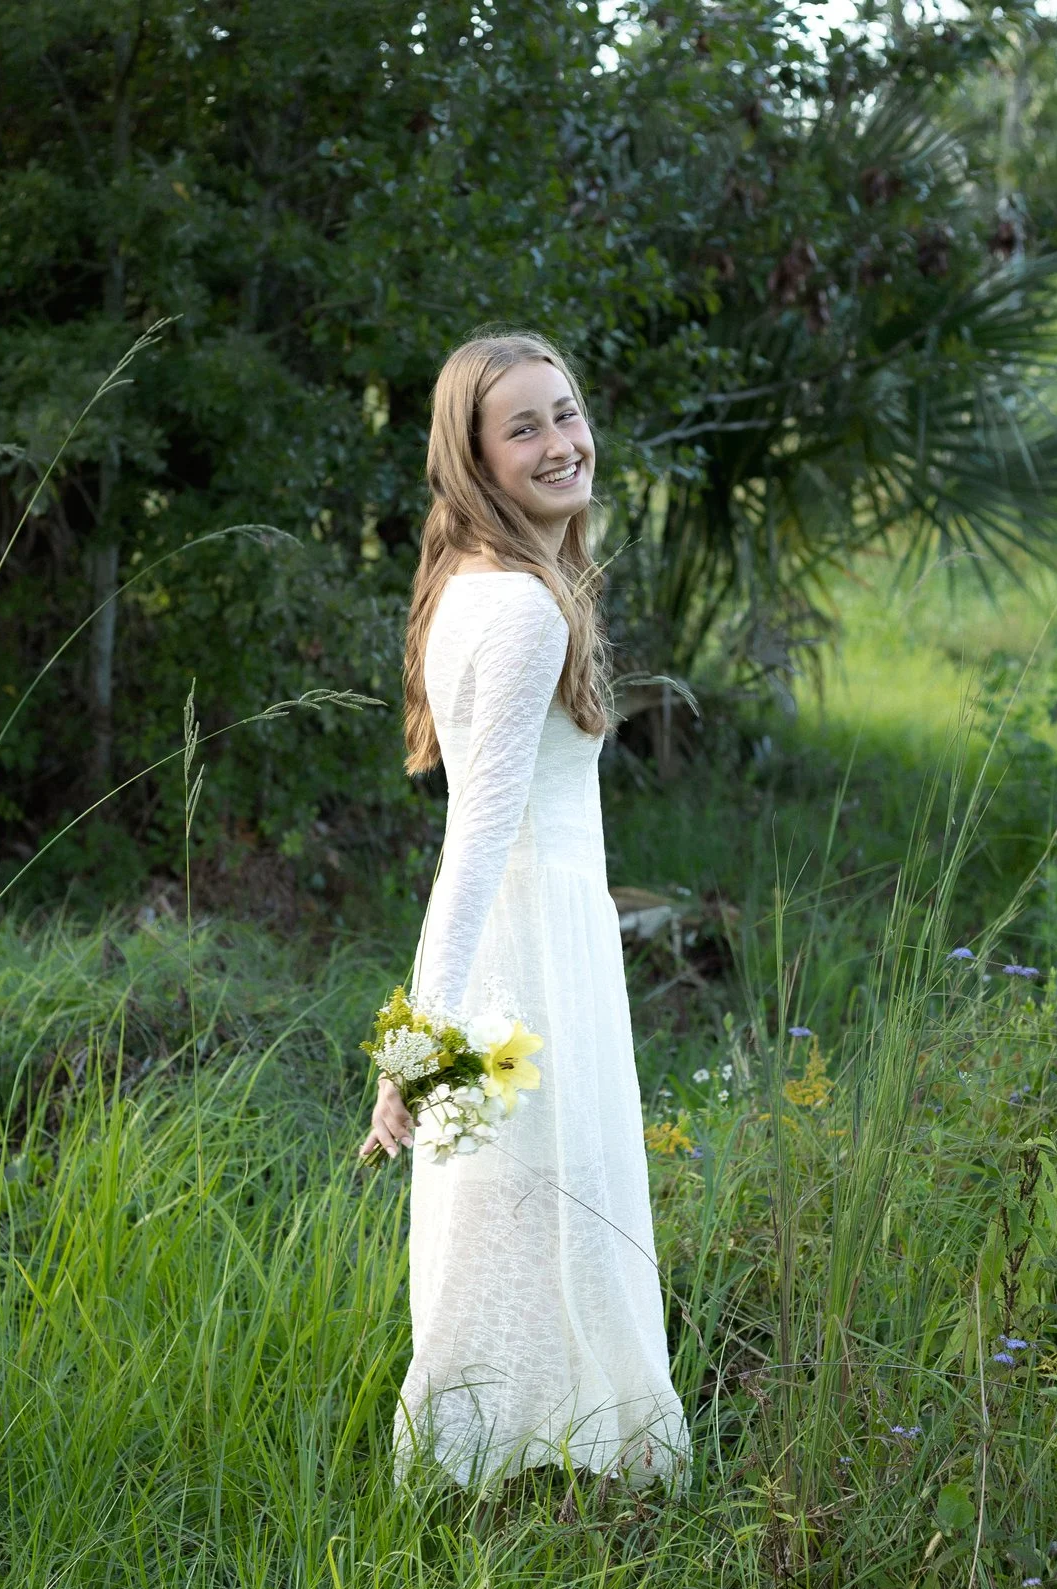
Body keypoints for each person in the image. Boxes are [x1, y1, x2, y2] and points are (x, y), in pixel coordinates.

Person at [360, 332, 689, 1489]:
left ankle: (519, 1464)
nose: (561, 443)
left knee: (514, 1207)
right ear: (476, 459)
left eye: (567, 413)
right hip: (523, 956)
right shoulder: (519, 612)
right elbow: (473, 843)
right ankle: (524, 1464)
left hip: (546, 929)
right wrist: (413, 1047)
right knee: (545, 1204)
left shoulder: (484, 583)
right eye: (525, 427)